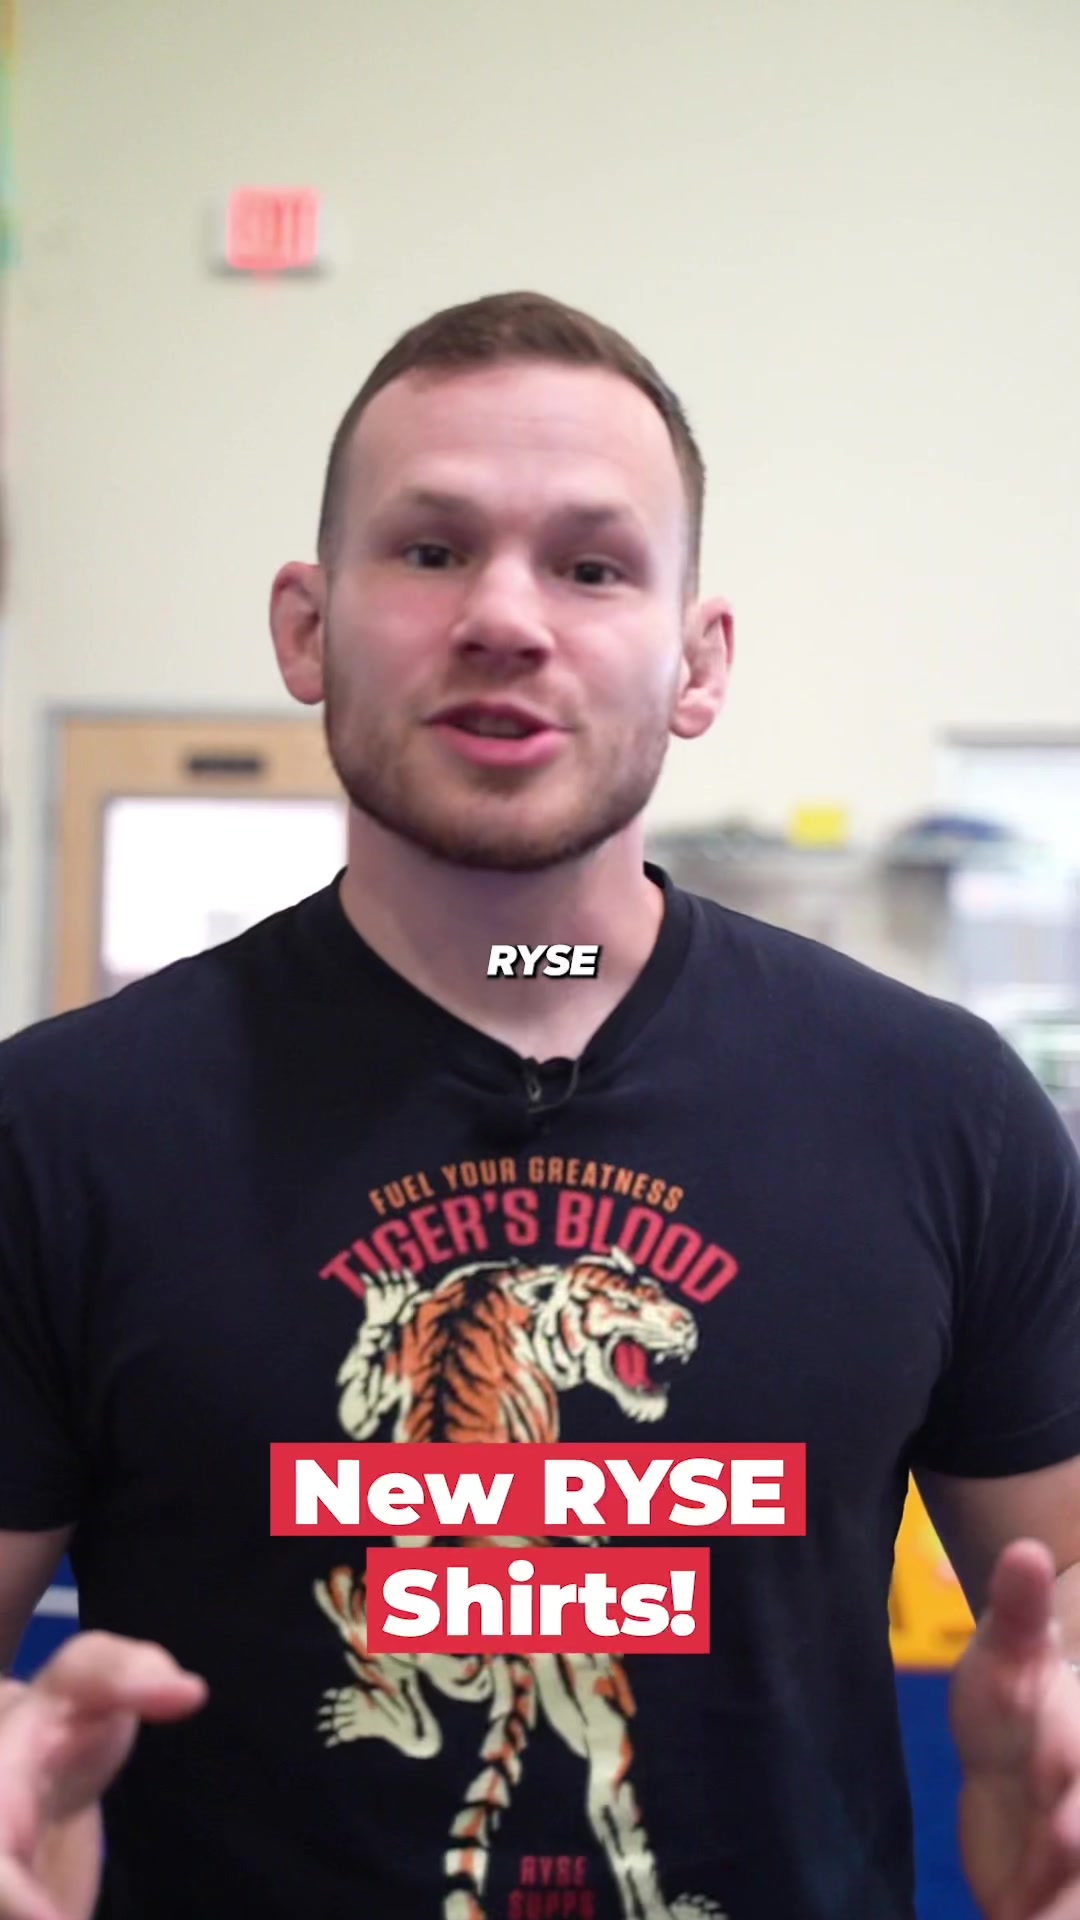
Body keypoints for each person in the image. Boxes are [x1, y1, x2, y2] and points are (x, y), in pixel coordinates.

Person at [1, 290, 1080, 1920]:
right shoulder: (61, 1134)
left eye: (592, 566)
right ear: (306, 628)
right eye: (432, 549)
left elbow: (1057, 1610)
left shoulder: (940, 1113)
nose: (506, 616)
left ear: (698, 662)